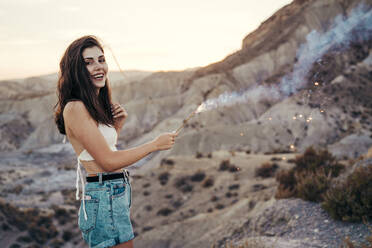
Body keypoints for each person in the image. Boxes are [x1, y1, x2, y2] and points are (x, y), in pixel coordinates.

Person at [53, 35, 178, 248]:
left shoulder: (91, 105)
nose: (98, 66)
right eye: (88, 62)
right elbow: (108, 162)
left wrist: (116, 126)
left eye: (101, 60)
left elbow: (100, 152)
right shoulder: (75, 108)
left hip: (114, 193)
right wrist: (154, 145)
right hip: (103, 196)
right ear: (76, 70)